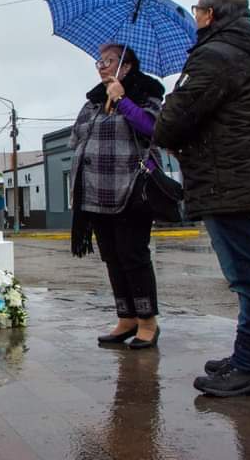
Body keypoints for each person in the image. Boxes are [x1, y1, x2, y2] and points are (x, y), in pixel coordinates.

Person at [153, 0, 250, 397]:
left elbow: (170, 123)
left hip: (234, 185)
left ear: (210, 15)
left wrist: (175, 108)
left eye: (197, 10)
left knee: (249, 279)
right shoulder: (248, 53)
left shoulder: (215, 55)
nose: (194, 17)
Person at [68, 44, 165, 349]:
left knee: (133, 256)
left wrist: (122, 100)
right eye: (99, 62)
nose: (101, 66)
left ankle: (148, 322)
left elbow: (152, 127)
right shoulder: (94, 101)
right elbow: (75, 137)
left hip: (130, 190)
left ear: (126, 66)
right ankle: (127, 317)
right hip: (95, 192)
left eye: (108, 61)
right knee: (112, 257)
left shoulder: (146, 95)